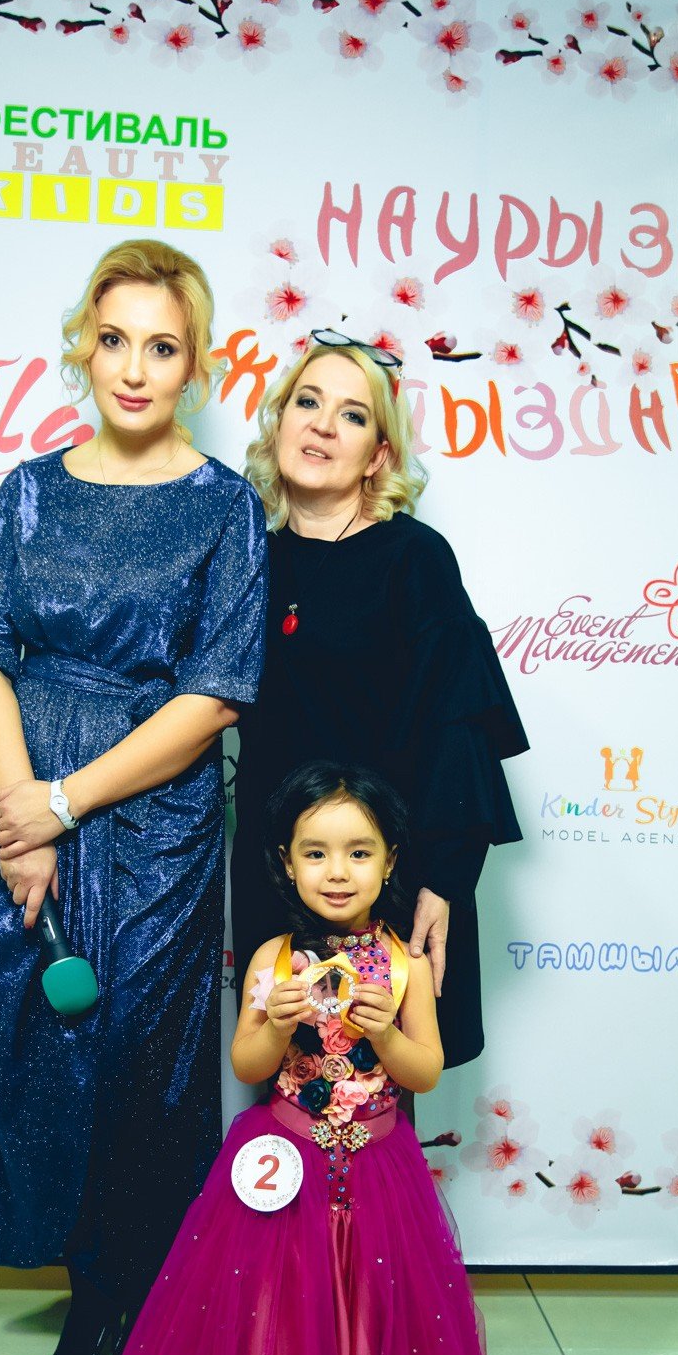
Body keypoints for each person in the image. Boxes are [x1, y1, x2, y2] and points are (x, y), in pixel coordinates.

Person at [55, 763, 512, 1355]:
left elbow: (424, 1072)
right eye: (316, 853)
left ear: (391, 863)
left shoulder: (406, 964)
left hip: (376, 1176)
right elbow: (249, 1061)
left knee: (368, 1339)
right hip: (283, 1172)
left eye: (359, 852)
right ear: (286, 863)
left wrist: (386, 1032)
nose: (337, 871)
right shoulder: (271, 956)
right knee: (275, 1340)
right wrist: (275, 1018)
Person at [0, 239, 268, 1355]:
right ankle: (87, 1293)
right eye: (114, 339)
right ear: (82, 346)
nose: (132, 368)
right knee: (45, 1045)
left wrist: (67, 802)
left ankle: (143, 1296)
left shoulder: (224, 507)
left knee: (142, 1058)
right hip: (24, 801)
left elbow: (215, 693)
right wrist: (23, 817)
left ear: (194, 365)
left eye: (161, 347)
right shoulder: (26, 491)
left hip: (156, 819)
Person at [233, 331, 528, 1068]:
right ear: (279, 423)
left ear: (379, 455)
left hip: (385, 879)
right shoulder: (244, 558)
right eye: (307, 402)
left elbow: (459, 727)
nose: (323, 425)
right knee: (284, 1083)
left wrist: (443, 882)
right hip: (277, 874)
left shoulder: (414, 557)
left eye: (353, 414)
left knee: (378, 1091)